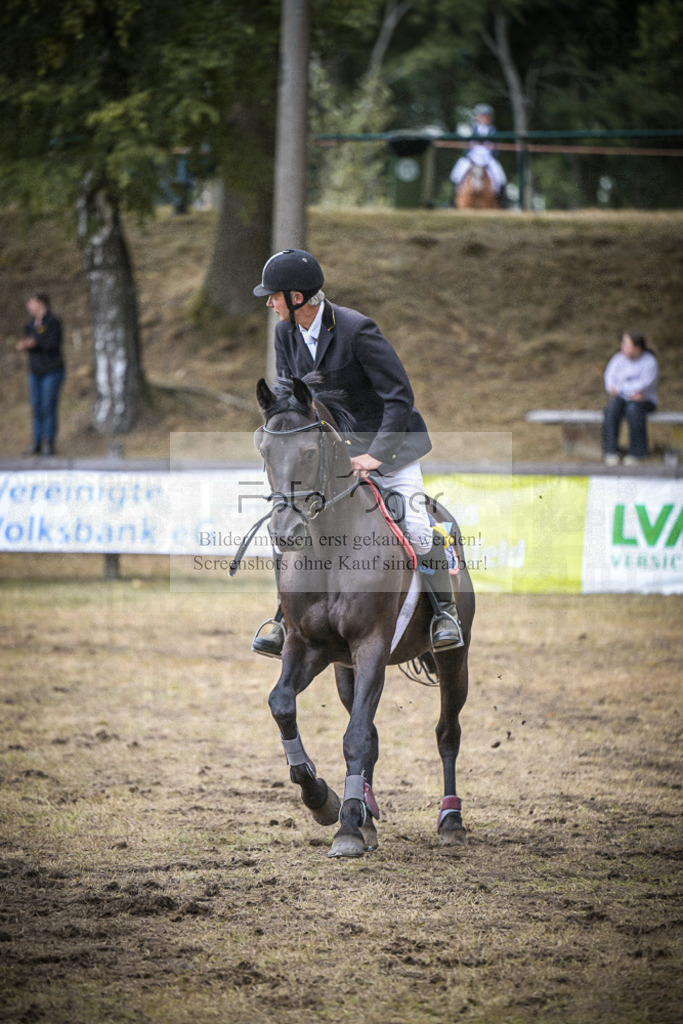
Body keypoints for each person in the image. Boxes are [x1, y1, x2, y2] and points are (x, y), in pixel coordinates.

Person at [250, 248, 463, 658]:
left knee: (417, 527)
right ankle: (284, 619)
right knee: (290, 526)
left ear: (296, 298)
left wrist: (377, 456)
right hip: (331, 459)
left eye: (273, 295)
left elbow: (400, 397)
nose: (268, 302)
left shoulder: (356, 330)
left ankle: (443, 615)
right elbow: (289, 398)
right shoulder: (285, 333)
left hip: (391, 448)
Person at [15, 293, 65, 456]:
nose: (28, 306)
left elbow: (52, 343)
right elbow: (30, 343)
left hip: (52, 370)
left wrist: (34, 343)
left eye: (31, 303)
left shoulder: (53, 322)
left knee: (48, 406)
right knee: (36, 407)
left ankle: (49, 443)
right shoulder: (30, 325)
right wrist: (26, 344)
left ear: (41, 303)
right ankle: (36, 442)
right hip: (35, 371)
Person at [602, 330, 658, 466]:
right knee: (612, 408)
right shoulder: (617, 359)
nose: (622, 347)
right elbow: (609, 378)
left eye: (627, 345)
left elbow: (644, 384)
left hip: (644, 400)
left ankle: (637, 453)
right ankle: (610, 452)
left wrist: (620, 388)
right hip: (621, 399)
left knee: (633, 409)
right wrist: (615, 388)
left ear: (637, 348)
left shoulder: (649, 362)